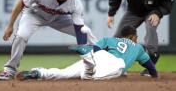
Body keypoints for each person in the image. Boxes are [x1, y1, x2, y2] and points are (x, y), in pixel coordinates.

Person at [0, 0, 98, 80]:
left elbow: (79, 29)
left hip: (58, 18)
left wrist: (84, 50)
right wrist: (10, 26)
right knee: (21, 35)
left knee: (85, 32)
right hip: (34, 14)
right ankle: (10, 70)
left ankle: (105, 56)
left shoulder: (75, 3)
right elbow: (21, 2)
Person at [16, 26, 158, 81]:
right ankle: (87, 62)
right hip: (115, 64)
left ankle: (39, 73)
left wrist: (95, 57)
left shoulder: (110, 39)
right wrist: (155, 75)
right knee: (89, 79)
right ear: (132, 37)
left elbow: (96, 50)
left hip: (99, 56)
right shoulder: (138, 47)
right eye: (136, 36)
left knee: (64, 73)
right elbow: (150, 66)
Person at [107, 0, 173, 76]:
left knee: (151, 28)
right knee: (118, 36)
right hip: (133, 12)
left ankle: (151, 61)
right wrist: (111, 14)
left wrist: (158, 13)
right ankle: (116, 65)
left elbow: (168, 2)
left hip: (152, 12)